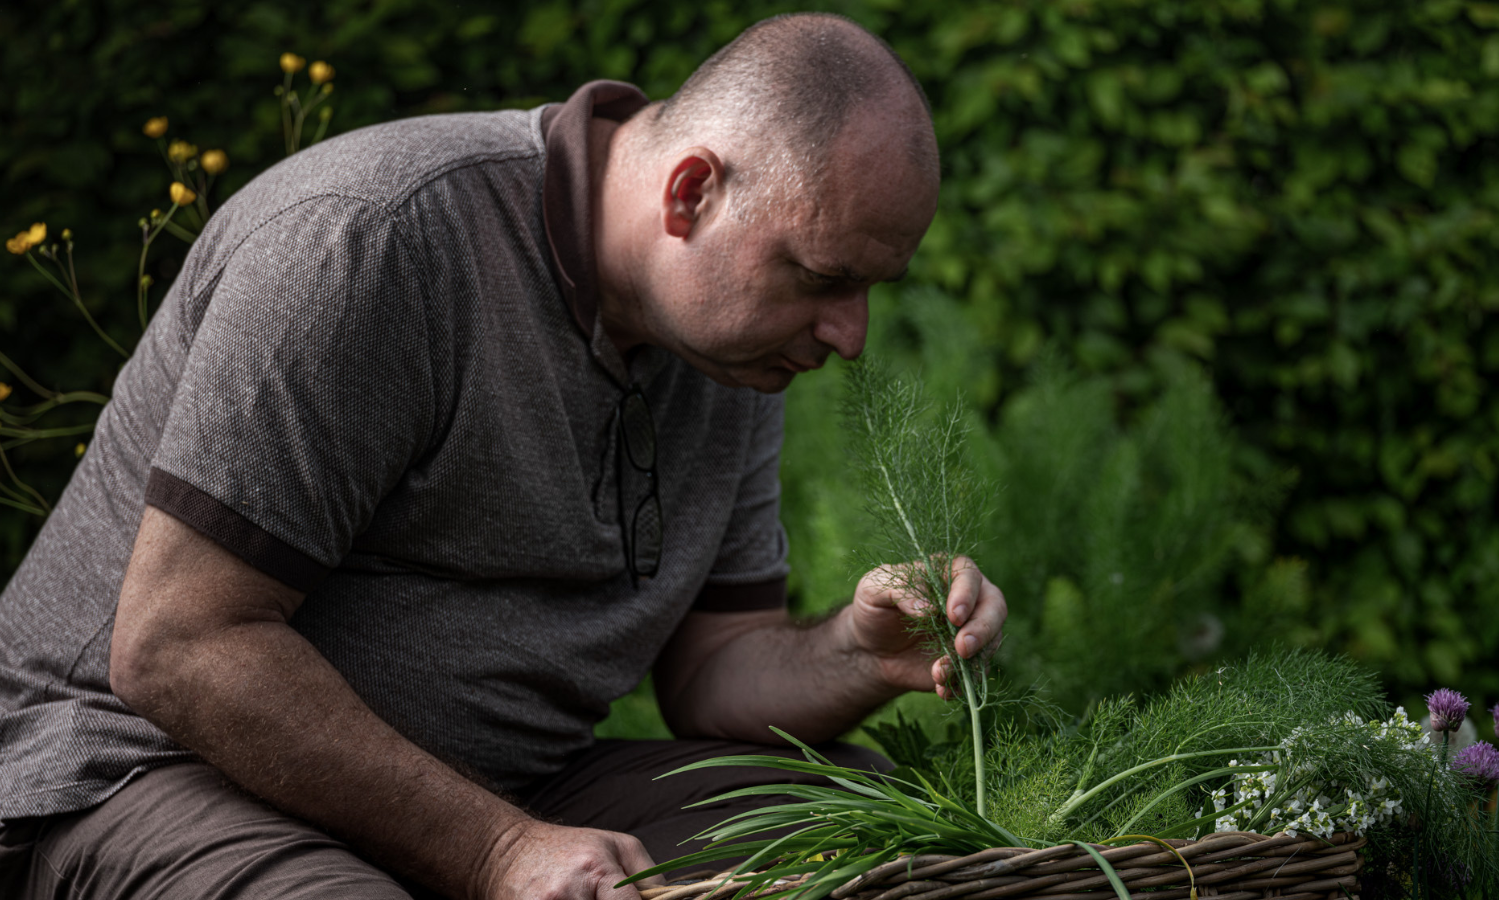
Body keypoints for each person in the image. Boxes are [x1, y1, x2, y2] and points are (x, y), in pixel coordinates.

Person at [0, 12, 1007, 900]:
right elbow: (178, 646)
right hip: (139, 769)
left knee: (864, 841)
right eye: (824, 277)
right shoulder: (370, 243)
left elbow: (710, 675)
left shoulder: (729, 347)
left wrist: (853, 655)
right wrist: (493, 851)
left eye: (871, 288)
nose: (851, 335)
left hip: (501, 786)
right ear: (690, 194)